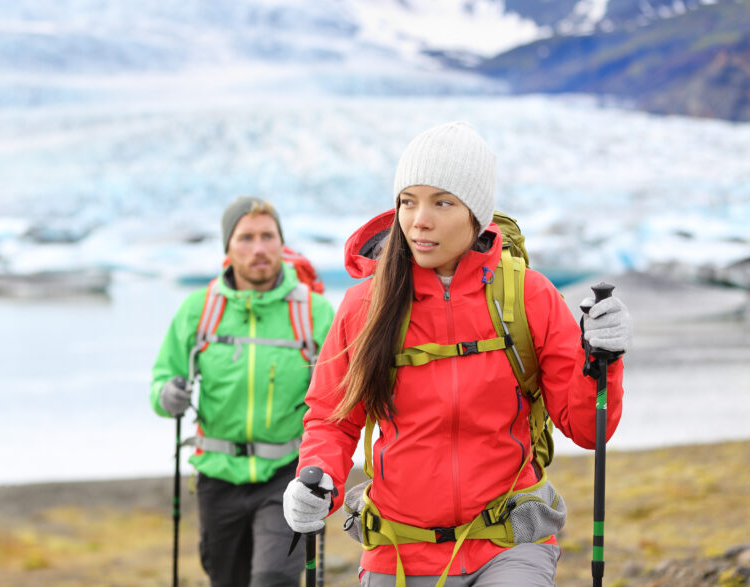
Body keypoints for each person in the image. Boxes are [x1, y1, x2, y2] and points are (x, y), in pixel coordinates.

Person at [282, 121, 631, 586]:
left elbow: (590, 429)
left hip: (509, 544)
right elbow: (331, 417)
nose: (418, 220)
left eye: (442, 202)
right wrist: (319, 477)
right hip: (397, 550)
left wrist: (603, 358)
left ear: (477, 213)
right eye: (408, 201)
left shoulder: (528, 296)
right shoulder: (365, 304)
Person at [151, 196, 336, 587]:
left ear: (281, 244)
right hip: (218, 478)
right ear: (227, 248)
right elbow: (162, 379)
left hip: (286, 472)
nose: (259, 248)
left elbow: (340, 392)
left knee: (273, 577)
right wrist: (169, 394)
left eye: (268, 236)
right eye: (246, 237)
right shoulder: (198, 309)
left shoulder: (314, 312)